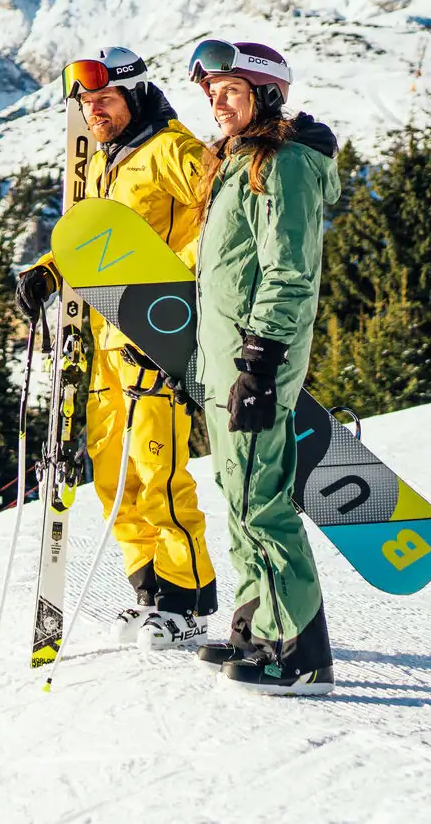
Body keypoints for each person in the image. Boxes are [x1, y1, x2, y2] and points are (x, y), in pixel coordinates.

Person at [16, 46, 218, 649]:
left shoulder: (171, 150)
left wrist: (174, 289)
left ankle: (187, 603)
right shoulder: (109, 161)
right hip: (106, 341)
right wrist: (49, 270)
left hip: (157, 338)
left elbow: (228, 216)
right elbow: (101, 241)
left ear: (135, 95)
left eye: (105, 100)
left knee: (160, 474)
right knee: (114, 477)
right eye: (87, 103)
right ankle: (150, 594)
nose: (94, 112)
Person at [183, 37, 342, 694]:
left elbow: (289, 269)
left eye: (232, 91)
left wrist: (261, 359)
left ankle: (301, 653)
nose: (219, 104)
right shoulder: (235, 162)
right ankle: (256, 629)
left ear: (268, 95)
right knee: (239, 493)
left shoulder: (285, 165)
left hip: (257, 360)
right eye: (213, 93)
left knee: (262, 500)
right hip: (226, 362)